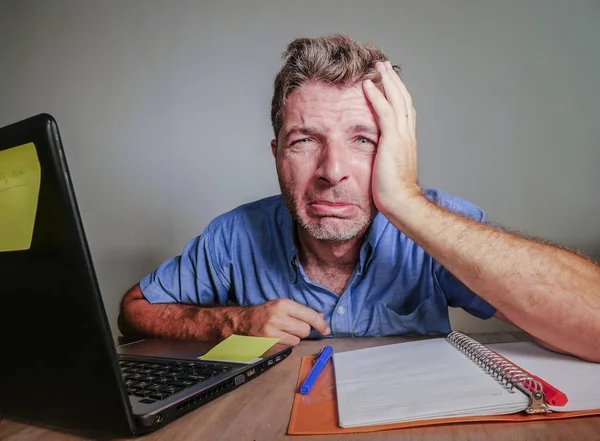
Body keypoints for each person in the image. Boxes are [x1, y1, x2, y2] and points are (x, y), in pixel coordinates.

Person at [119, 35, 600, 362]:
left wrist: (407, 202)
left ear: (397, 150)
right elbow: (133, 312)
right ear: (277, 155)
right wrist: (231, 323)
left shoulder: (438, 223)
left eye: (363, 141)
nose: (331, 171)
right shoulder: (235, 237)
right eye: (304, 140)